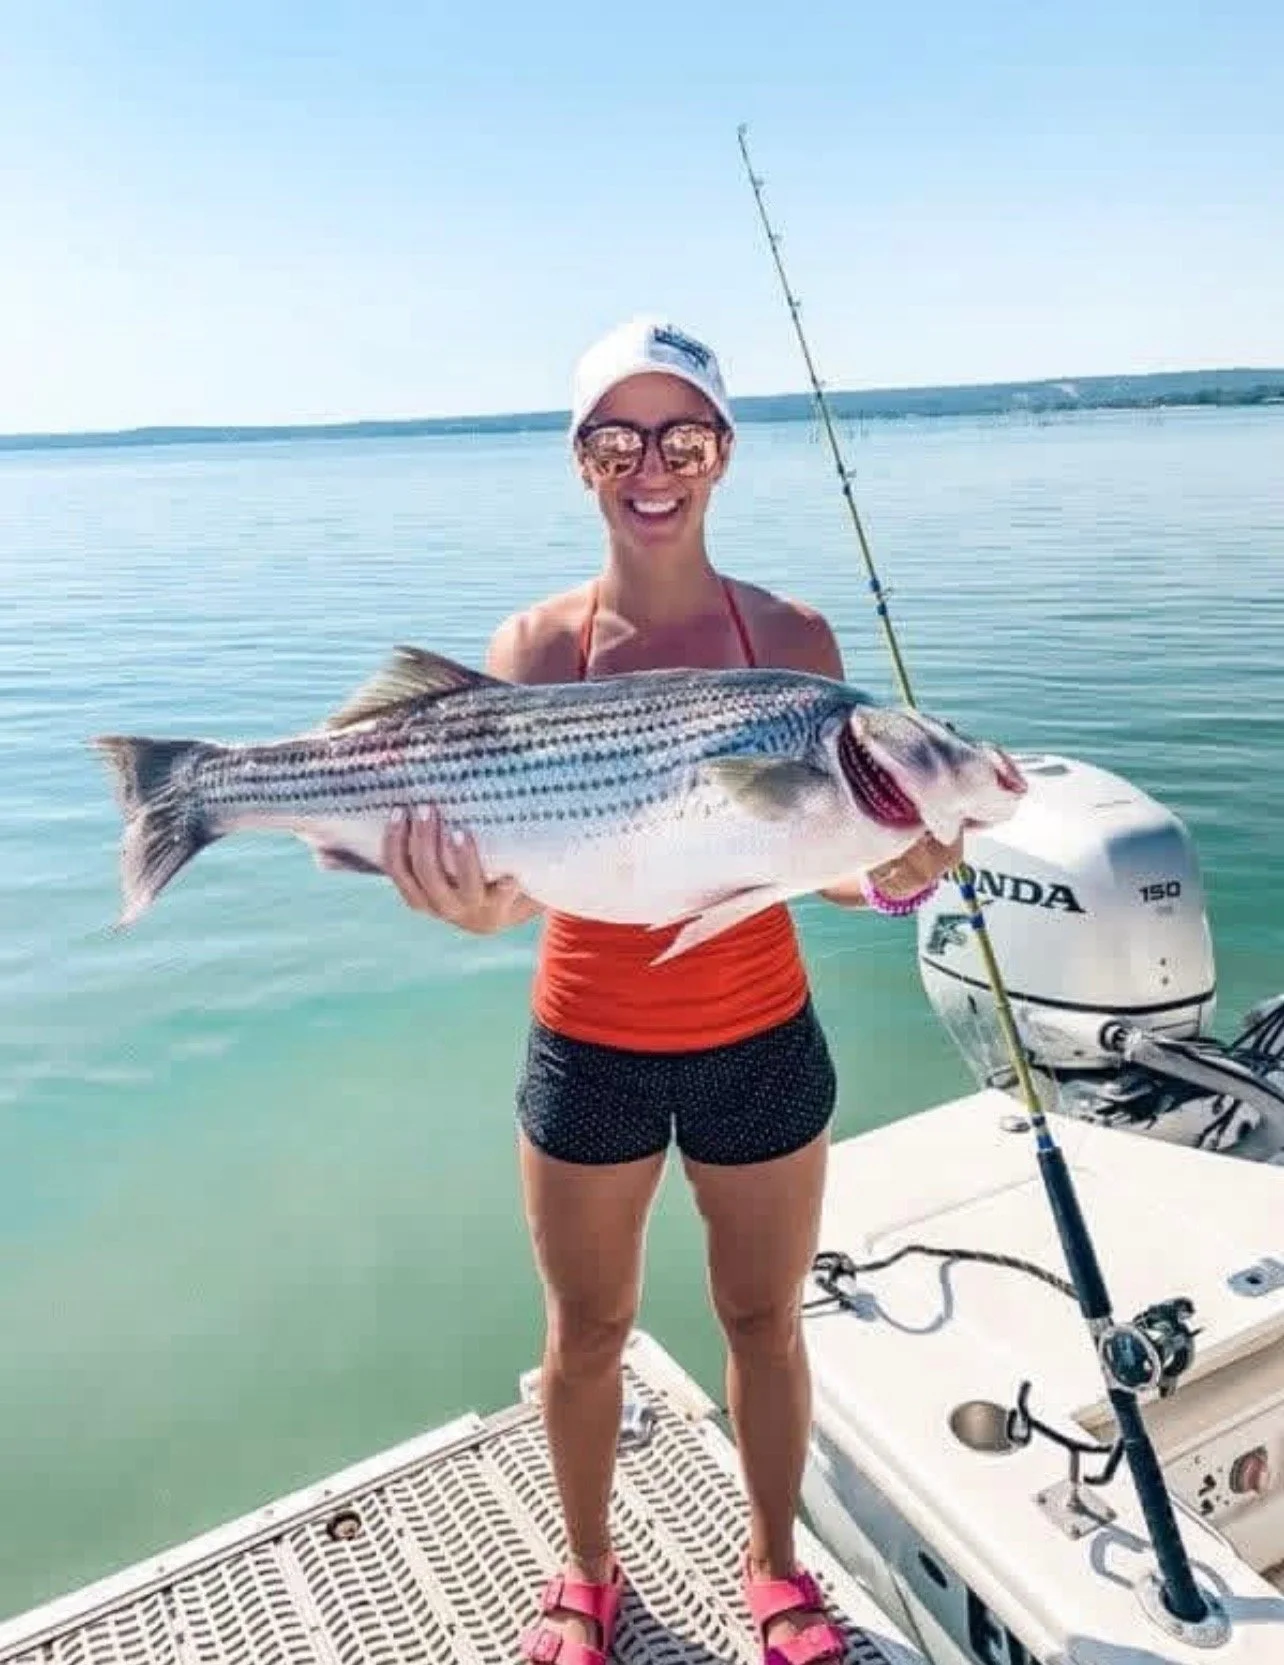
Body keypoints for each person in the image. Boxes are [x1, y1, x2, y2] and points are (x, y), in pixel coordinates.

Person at [381, 316, 959, 1665]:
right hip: (589, 1043)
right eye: (618, 439)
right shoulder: (534, 644)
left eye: (683, 437)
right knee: (587, 1333)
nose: (652, 467)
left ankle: (775, 1570)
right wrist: (466, 906)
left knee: (765, 1321)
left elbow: (822, 866)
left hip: (762, 1039)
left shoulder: (793, 635)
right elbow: (516, 885)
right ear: (581, 458)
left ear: (724, 453)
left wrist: (896, 877)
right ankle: (586, 1572)